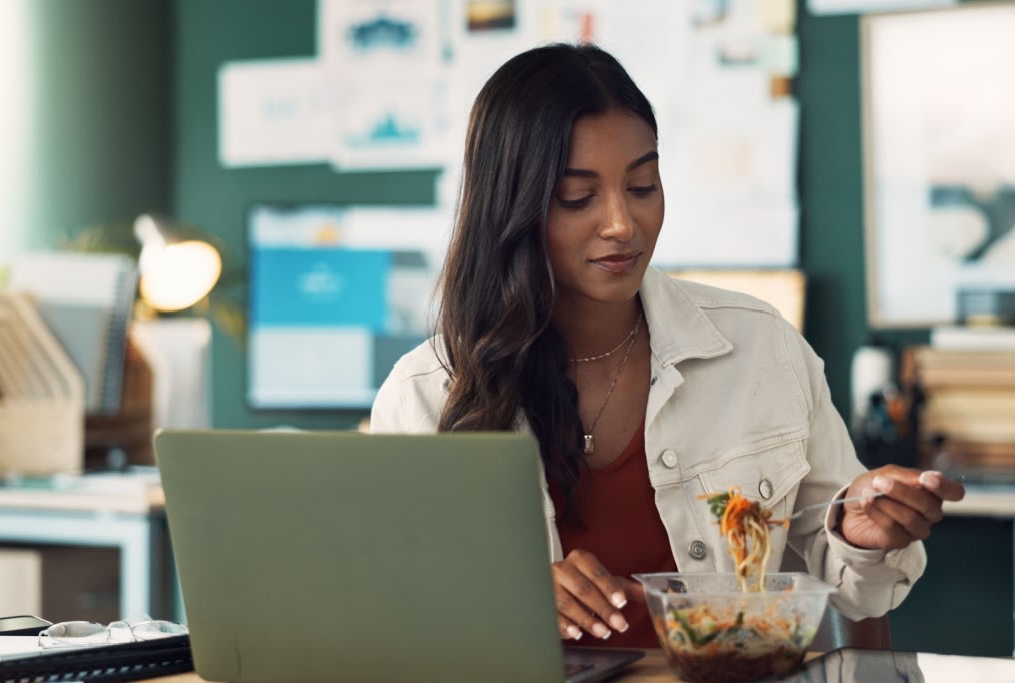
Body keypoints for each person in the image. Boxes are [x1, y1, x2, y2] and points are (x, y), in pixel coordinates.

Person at [369, 42, 965, 648]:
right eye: (578, 198)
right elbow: (392, 619)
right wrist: (507, 597)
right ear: (511, 207)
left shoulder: (761, 347)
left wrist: (856, 533)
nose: (622, 224)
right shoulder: (426, 396)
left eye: (643, 186)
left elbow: (849, 590)